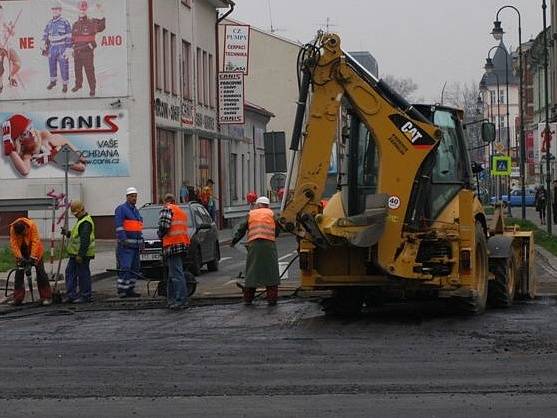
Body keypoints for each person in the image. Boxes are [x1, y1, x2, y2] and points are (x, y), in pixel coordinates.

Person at [231, 196, 280, 306]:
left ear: (257, 205)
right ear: (267, 205)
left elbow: (241, 230)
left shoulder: (251, 214)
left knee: (252, 272)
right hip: (269, 245)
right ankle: (272, 299)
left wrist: (234, 241)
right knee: (271, 273)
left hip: (254, 245)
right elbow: (277, 230)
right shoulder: (272, 214)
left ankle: (248, 299)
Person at [2, 113, 86, 176]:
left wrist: (53, 154)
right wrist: (8, 144)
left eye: (30, 128)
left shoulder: (45, 137)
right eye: (25, 133)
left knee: (52, 142)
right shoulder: (27, 151)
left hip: (60, 150)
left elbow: (82, 162)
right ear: (19, 140)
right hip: (60, 159)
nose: (31, 133)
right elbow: (25, 171)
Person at [9, 218, 53, 306]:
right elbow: (14, 245)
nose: (24, 234)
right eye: (21, 234)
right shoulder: (13, 229)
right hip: (22, 253)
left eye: (24, 232)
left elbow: (35, 242)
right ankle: (18, 298)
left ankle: (46, 297)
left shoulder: (32, 225)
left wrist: (32, 257)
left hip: (36, 253)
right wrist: (20, 258)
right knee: (18, 275)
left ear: (26, 227)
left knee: (41, 273)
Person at [158, 193, 191, 310]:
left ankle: (181, 300)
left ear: (166, 201)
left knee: (176, 274)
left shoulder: (167, 209)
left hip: (172, 245)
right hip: (182, 245)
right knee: (173, 274)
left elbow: (164, 226)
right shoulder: (181, 211)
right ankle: (172, 299)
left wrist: (160, 235)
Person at [61, 200, 95, 303]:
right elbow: (77, 235)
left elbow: (85, 240)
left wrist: (80, 255)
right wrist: (67, 233)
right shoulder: (81, 220)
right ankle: (71, 295)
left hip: (82, 255)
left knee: (83, 274)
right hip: (75, 254)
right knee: (70, 273)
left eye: (76, 213)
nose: (75, 215)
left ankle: (85, 295)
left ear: (81, 210)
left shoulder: (86, 222)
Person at [70, 0, 105, 96]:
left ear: (86, 10)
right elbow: (72, 39)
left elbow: (102, 27)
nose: (82, 11)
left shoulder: (92, 22)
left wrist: (101, 12)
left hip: (87, 52)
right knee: (77, 70)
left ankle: (92, 89)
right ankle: (78, 85)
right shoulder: (75, 24)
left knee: (89, 71)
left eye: (83, 9)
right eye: (80, 9)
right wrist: (72, 48)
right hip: (77, 52)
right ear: (77, 10)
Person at [115, 187, 143, 298]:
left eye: (135, 196)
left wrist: (142, 242)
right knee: (126, 267)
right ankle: (122, 289)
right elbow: (119, 226)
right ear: (127, 197)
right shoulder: (121, 209)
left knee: (134, 268)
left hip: (135, 245)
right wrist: (123, 239)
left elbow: (138, 229)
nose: (134, 198)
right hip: (126, 245)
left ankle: (130, 289)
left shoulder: (136, 211)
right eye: (131, 196)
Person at [42, 1, 72, 93]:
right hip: (52, 47)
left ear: (60, 11)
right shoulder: (49, 23)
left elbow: (69, 36)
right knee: (52, 65)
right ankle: (53, 81)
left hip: (62, 46)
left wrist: (68, 48)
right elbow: (45, 33)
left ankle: (65, 84)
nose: (55, 11)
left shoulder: (65, 22)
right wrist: (43, 42)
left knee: (64, 66)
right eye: (53, 9)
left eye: (57, 9)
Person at [0, 4, 21, 93]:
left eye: (1, 12)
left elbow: (12, 34)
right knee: (0, 68)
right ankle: (0, 85)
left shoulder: (5, 22)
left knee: (17, 63)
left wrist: (10, 28)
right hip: (0, 48)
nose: (0, 13)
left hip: (8, 46)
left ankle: (11, 76)